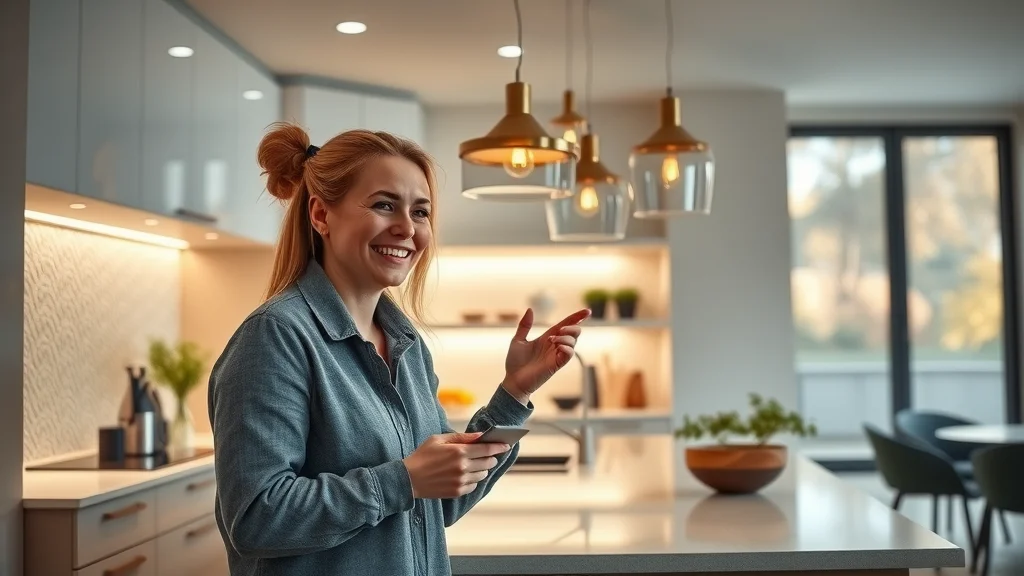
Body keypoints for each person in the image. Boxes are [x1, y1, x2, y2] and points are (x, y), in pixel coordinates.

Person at [207, 122, 590, 576]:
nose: (407, 228)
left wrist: (514, 392)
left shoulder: (407, 347)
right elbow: (255, 519)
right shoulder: (275, 337)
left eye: (421, 212)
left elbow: (438, 504)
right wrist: (402, 480)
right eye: (384, 205)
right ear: (321, 215)